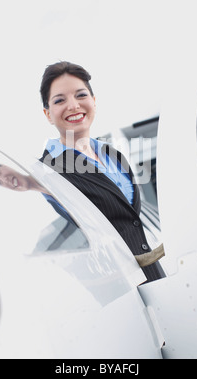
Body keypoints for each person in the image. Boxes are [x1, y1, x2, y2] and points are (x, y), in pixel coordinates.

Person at [39, 61, 164, 282]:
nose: (73, 106)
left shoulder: (113, 155)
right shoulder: (46, 171)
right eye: (60, 100)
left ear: (94, 102)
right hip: (115, 287)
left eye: (81, 95)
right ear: (48, 114)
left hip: (153, 273)